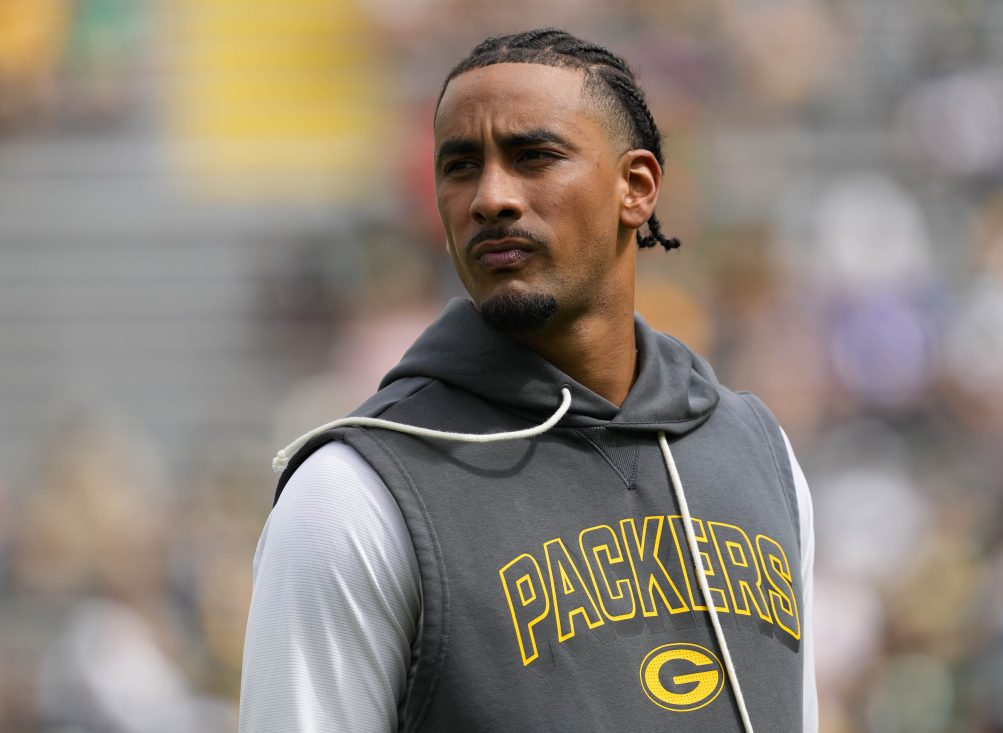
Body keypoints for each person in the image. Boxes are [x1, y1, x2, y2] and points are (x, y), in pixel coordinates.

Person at [239, 28, 817, 733]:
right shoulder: (350, 495)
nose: (490, 197)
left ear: (636, 188)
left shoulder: (761, 452)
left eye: (534, 156)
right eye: (459, 167)